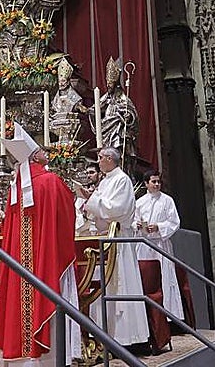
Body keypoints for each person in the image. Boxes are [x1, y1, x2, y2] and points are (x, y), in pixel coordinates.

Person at [0, 124, 80, 367]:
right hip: (47, 260)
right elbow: (67, 217)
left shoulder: (16, 187)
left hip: (21, 262)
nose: (44, 151)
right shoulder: (51, 181)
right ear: (34, 156)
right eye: (40, 149)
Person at [77, 147, 148, 350]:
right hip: (104, 238)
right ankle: (105, 336)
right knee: (106, 287)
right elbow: (98, 208)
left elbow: (117, 209)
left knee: (121, 284)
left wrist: (92, 200)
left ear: (109, 159)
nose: (97, 162)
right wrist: (88, 202)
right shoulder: (106, 180)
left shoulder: (121, 180)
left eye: (100, 158)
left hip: (118, 240)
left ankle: (127, 339)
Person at [135, 173, 184, 351]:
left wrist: (159, 227)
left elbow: (174, 222)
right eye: (153, 181)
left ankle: (169, 318)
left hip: (161, 244)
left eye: (158, 181)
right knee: (147, 282)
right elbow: (133, 220)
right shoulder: (140, 202)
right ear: (146, 183)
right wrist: (139, 226)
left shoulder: (167, 200)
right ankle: (150, 319)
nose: (157, 184)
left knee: (165, 279)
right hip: (145, 244)